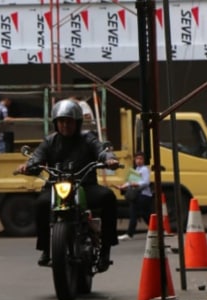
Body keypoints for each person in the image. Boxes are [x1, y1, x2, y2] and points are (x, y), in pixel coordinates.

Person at [15, 99, 120, 272]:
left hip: (85, 186)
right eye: (61, 121)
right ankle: (46, 249)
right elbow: (37, 157)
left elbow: (101, 151)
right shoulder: (50, 141)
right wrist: (29, 165)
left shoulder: (88, 138)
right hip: (56, 186)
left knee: (108, 197)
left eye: (69, 121)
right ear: (56, 123)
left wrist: (109, 159)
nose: (65, 125)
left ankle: (106, 250)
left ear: (77, 123)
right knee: (41, 203)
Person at [116, 151, 152, 241]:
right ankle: (157, 230)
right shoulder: (136, 170)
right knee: (142, 215)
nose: (138, 161)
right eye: (137, 159)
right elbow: (129, 182)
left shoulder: (144, 169)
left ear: (144, 160)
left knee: (140, 214)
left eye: (140, 159)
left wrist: (136, 184)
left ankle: (130, 234)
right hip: (138, 196)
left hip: (144, 195)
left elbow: (146, 183)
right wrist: (122, 186)